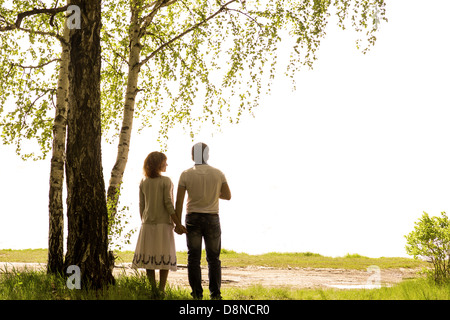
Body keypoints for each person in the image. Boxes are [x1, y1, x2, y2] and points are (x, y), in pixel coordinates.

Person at [175, 142, 231, 300]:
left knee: (193, 257)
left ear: (193, 156)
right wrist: (213, 194)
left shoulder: (186, 174)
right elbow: (227, 195)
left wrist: (177, 224)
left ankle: (197, 295)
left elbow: (179, 201)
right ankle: (215, 294)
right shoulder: (218, 173)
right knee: (214, 258)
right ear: (207, 155)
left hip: (192, 217)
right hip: (212, 217)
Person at [132, 151, 187, 296]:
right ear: (158, 163)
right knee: (164, 257)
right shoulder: (166, 181)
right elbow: (168, 204)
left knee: (149, 257)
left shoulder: (144, 181)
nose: (166, 164)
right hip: (163, 224)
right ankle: (161, 290)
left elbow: (141, 205)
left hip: (147, 223)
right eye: (164, 162)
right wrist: (178, 224)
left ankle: (153, 289)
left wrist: (144, 220)